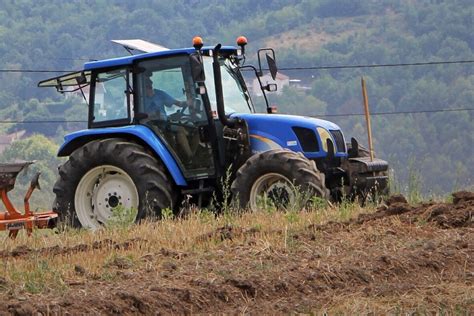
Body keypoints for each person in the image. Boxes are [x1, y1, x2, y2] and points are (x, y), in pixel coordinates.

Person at [143, 78, 198, 162]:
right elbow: (138, 116)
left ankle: (190, 156)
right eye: (147, 87)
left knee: (190, 129)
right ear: (142, 88)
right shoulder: (139, 99)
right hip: (149, 125)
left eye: (150, 86)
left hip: (164, 122)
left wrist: (187, 103)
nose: (150, 88)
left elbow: (178, 103)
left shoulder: (159, 94)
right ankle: (180, 159)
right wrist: (151, 115)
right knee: (167, 131)